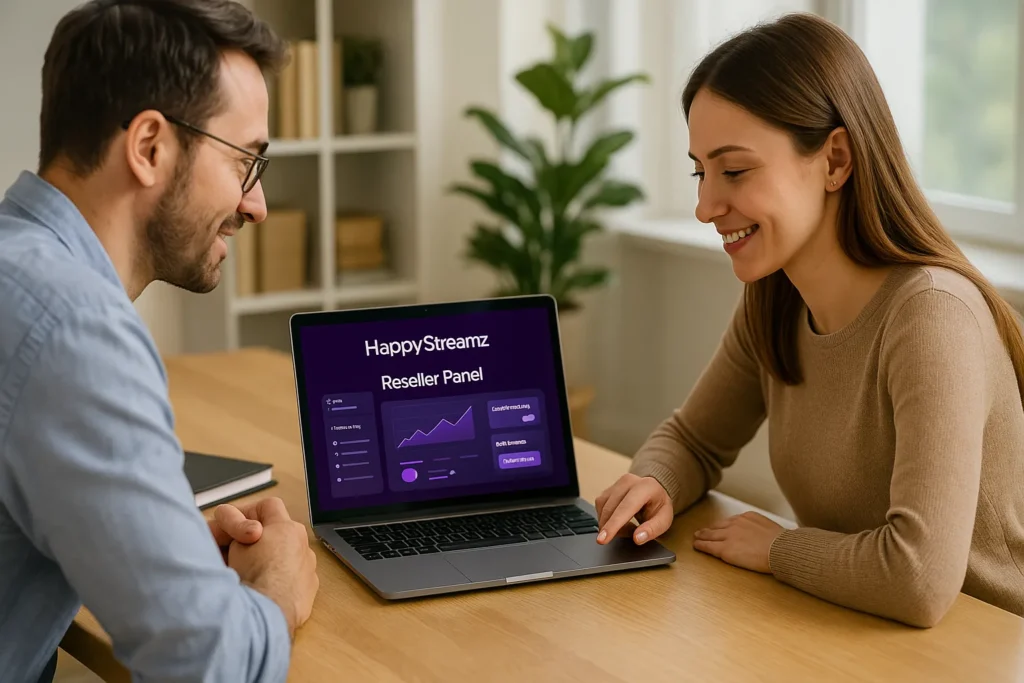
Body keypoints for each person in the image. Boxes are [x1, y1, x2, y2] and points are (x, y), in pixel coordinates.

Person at [595, 12, 1024, 628]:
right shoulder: (775, 300)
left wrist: (778, 548)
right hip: (855, 632)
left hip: (983, 647)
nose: (705, 206)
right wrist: (655, 482)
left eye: (734, 171)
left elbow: (919, 580)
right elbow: (694, 439)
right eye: (700, 171)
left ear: (835, 160)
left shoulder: (932, 316)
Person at [0, 1, 319, 681]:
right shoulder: (74, 329)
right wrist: (279, 588)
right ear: (149, 147)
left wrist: (156, 544)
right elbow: (204, 665)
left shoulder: (16, 270)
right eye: (246, 161)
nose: (256, 205)